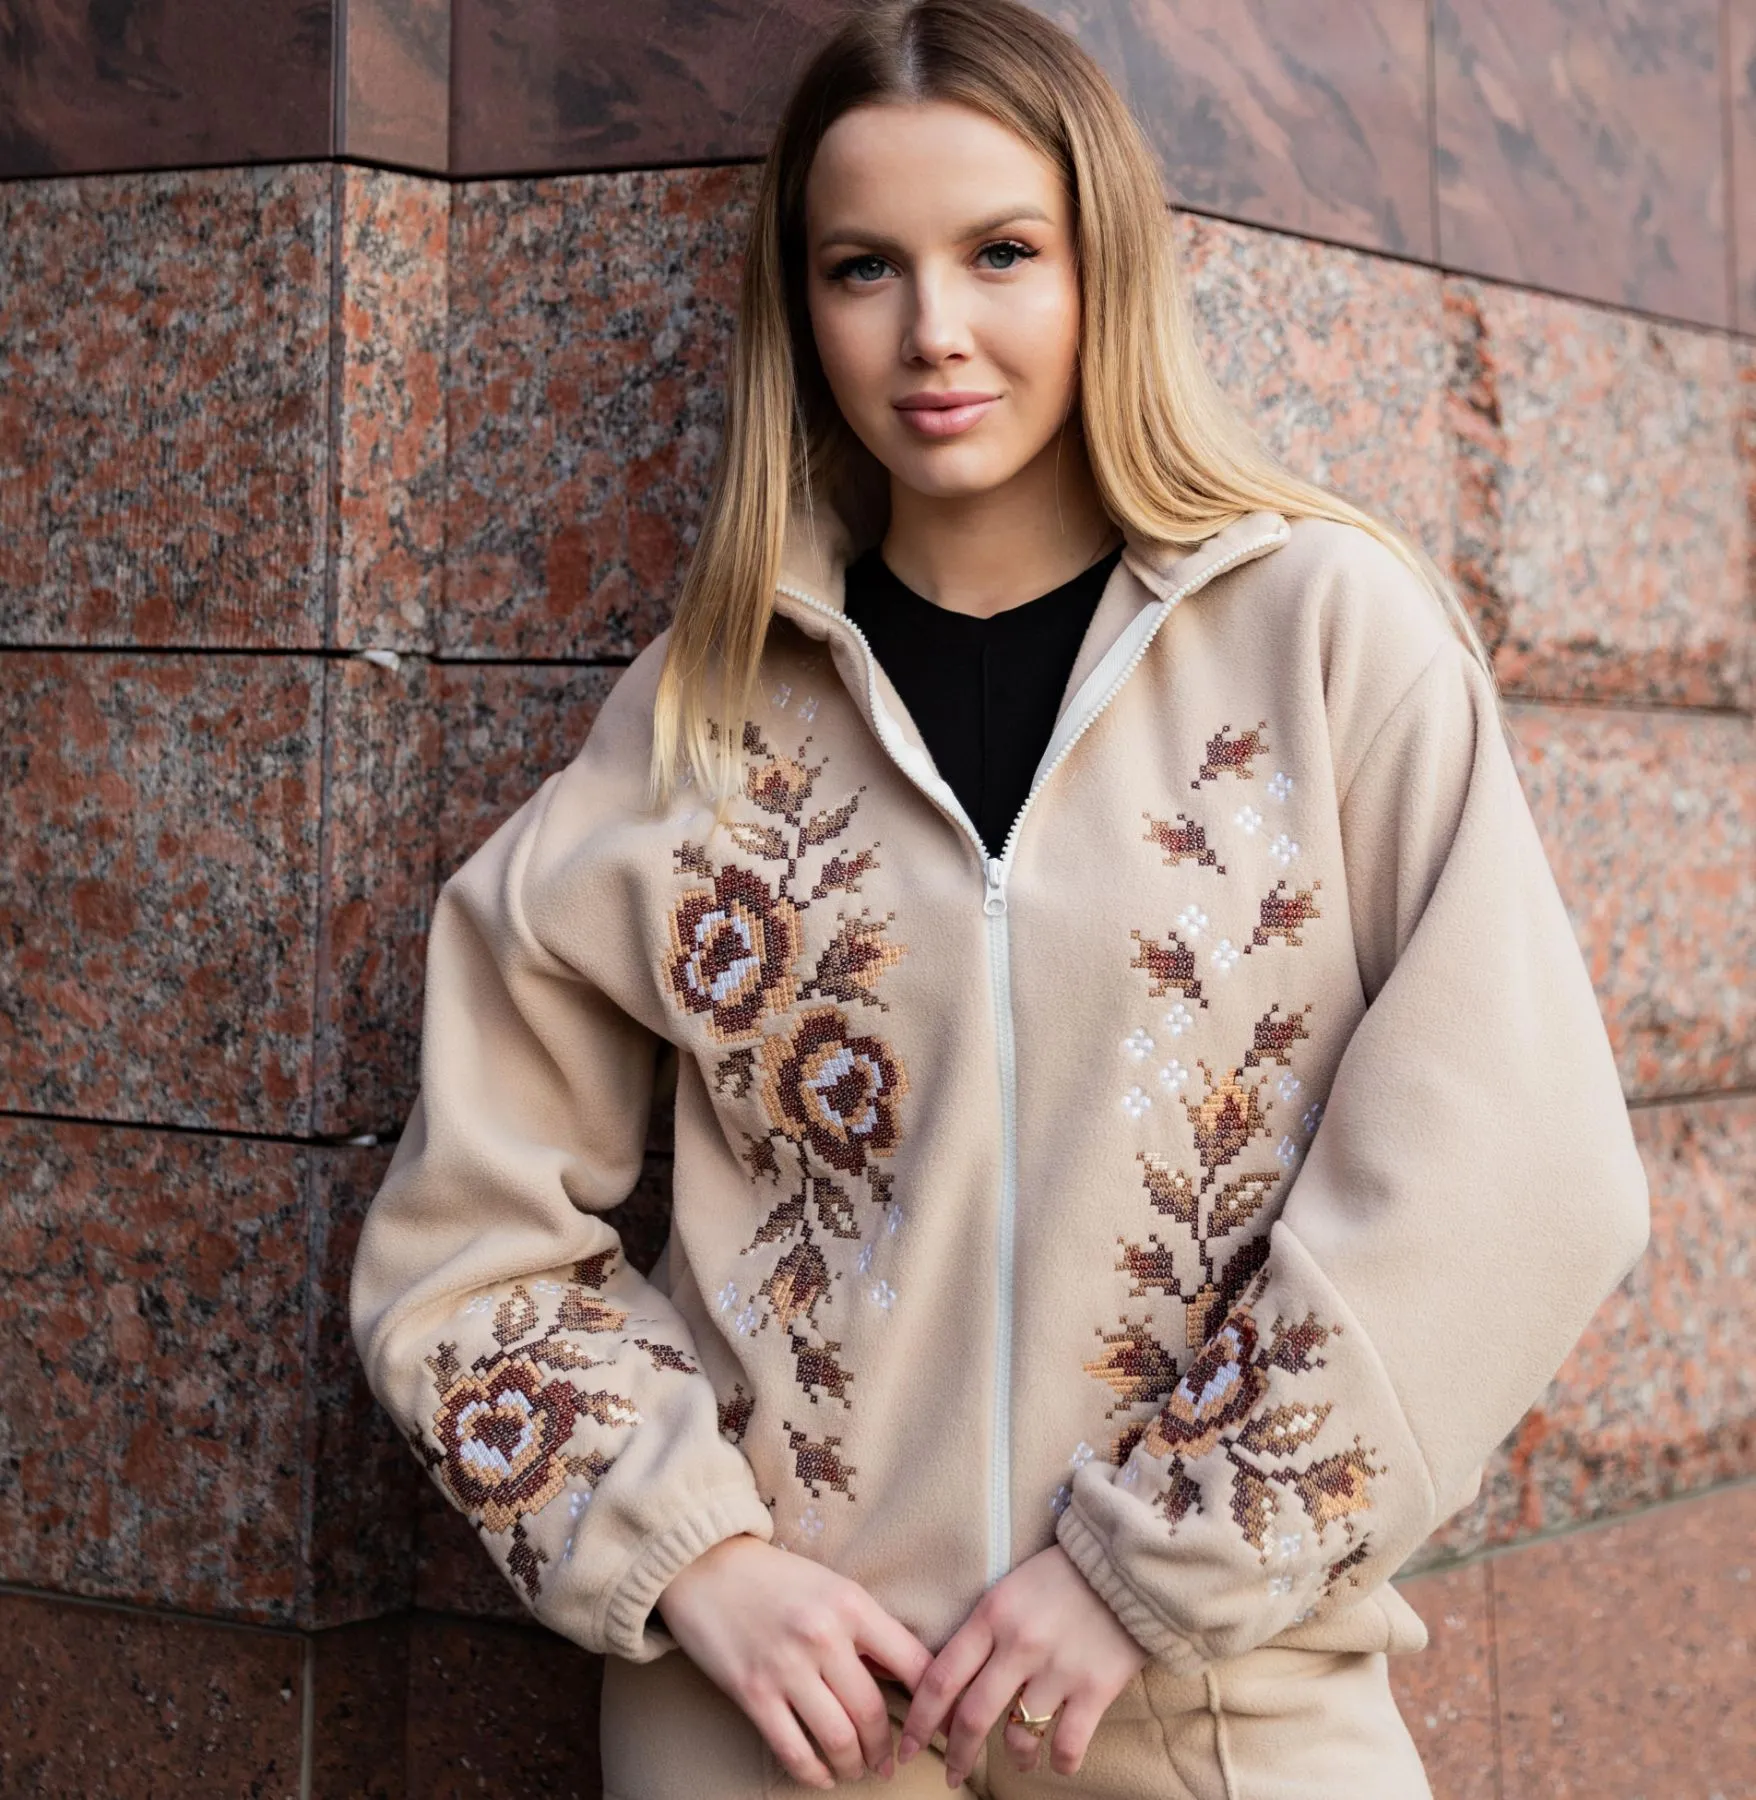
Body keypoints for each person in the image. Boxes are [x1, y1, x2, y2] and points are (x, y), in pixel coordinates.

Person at [347, 2, 1652, 1794]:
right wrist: (692, 1561)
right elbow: (464, 1247)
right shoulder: (699, 717)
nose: (934, 331)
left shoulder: (1325, 638)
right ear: (801, 306)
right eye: (864, 267)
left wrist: (1152, 1568)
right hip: (788, 1729)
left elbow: (1516, 1170)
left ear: (1105, 266)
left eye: (1002, 253)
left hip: (1218, 1712)